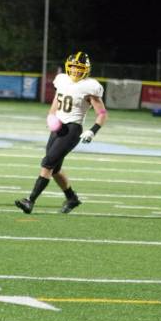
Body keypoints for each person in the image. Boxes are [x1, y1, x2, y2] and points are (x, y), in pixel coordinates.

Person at [14, 51, 107, 214]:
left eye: (79, 68)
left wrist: (93, 131)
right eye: (73, 67)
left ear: (86, 69)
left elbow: (102, 113)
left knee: (48, 162)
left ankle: (30, 201)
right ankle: (72, 198)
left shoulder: (90, 87)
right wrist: (51, 115)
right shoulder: (62, 80)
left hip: (72, 129)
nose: (76, 71)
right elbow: (57, 99)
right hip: (58, 127)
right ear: (68, 67)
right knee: (55, 168)